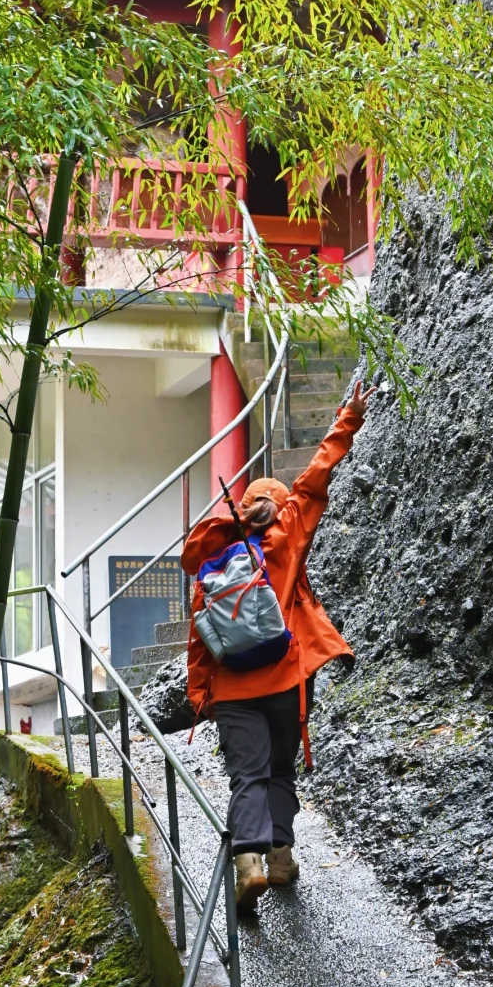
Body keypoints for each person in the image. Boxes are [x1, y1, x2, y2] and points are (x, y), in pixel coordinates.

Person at [182, 380, 371, 911]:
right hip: (287, 677)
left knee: (247, 773)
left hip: (234, 687)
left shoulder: (216, 559)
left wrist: (203, 694)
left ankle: (249, 861)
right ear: (281, 506)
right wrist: (347, 417)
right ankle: (283, 856)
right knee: (281, 769)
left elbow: (201, 635)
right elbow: (315, 478)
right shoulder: (287, 535)